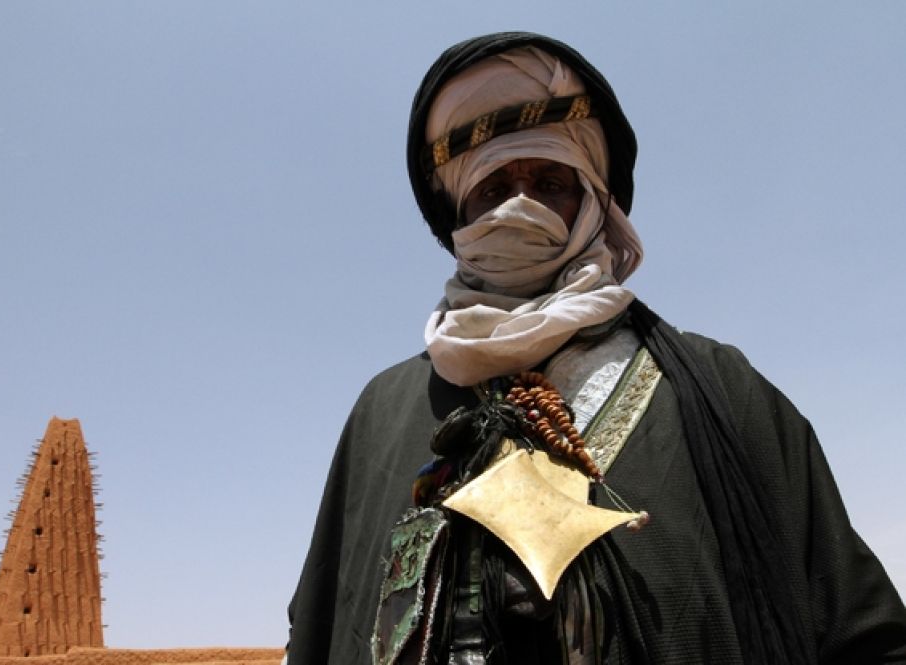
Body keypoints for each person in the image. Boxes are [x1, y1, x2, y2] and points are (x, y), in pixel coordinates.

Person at [286, 32, 906, 664]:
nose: (520, 205)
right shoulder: (382, 411)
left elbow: (863, 632)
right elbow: (319, 626)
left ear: (593, 202)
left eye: (549, 181)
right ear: (459, 216)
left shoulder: (723, 389)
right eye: (493, 188)